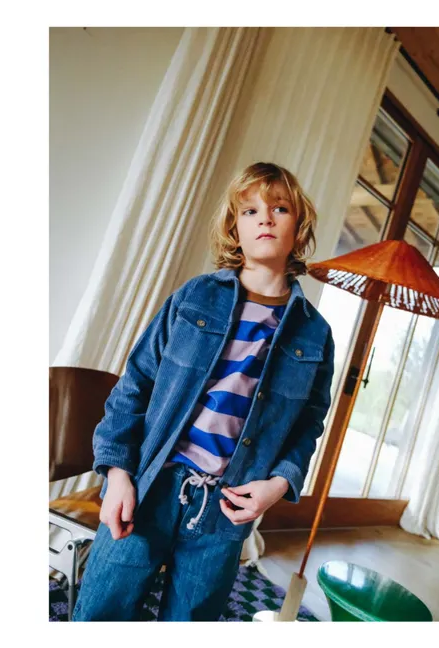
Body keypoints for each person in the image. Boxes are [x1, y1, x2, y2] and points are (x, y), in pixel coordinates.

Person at [72, 161, 335, 621]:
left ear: (300, 226)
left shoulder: (316, 335)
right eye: (250, 211)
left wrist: (278, 485)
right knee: (101, 612)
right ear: (235, 229)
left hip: (225, 511)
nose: (265, 218)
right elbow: (135, 385)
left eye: (279, 208)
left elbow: (309, 425)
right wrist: (117, 474)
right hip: (148, 487)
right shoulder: (194, 297)